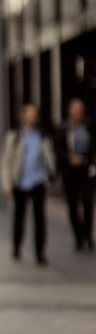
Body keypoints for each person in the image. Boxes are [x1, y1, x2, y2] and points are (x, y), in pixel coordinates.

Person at [0, 103, 56, 265]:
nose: (31, 117)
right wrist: (7, 183)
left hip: (38, 181)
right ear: (23, 116)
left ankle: (40, 252)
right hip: (20, 182)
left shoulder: (43, 136)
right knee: (19, 216)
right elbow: (6, 161)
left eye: (34, 114)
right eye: (28, 114)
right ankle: (17, 246)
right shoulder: (15, 136)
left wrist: (50, 174)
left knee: (40, 218)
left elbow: (49, 157)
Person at [55, 98, 96, 251]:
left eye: (80, 110)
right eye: (75, 109)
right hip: (70, 172)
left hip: (86, 169)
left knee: (87, 201)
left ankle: (88, 234)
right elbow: (57, 150)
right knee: (72, 205)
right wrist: (68, 159)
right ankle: (78, 236)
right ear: (69, 111)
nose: (78, 113)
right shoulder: (63, 128)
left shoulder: (89, 125)